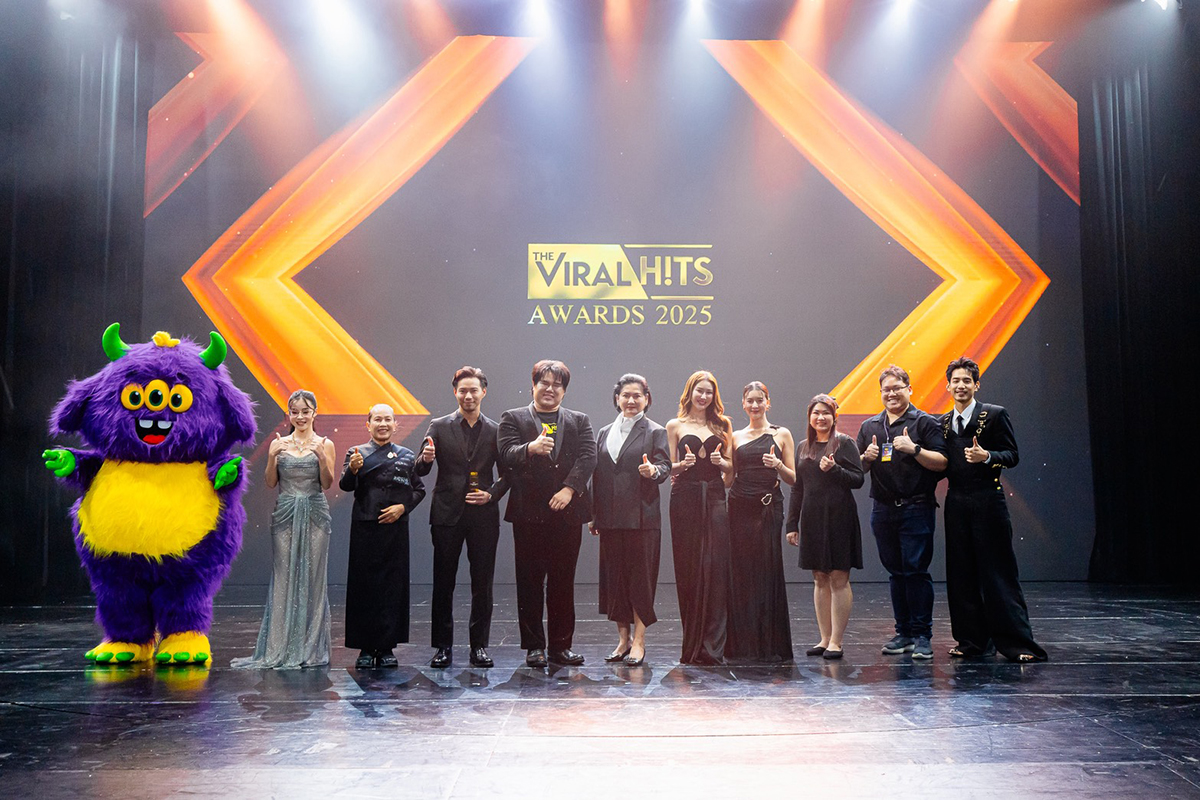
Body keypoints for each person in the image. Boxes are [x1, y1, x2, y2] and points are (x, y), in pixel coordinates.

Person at [940, 357, 1046, 662]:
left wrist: (986, 456)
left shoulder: (995, 414)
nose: (961, 386)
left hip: (989, 501)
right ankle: (972, 642)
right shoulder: (943, 423)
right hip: (956, 504)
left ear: (976, 385)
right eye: (956, 381)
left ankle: (1017, 644)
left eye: (966, 380)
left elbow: (1012, 455)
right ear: (948, 386)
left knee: (998, 573)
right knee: (961, 574)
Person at [498, 360, 596, 668]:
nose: (550, 389)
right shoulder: (513, 418)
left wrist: (569, 489)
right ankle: (534, 647)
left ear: (564, 391)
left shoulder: (579, 420)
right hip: (528, 514)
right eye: (544, 383)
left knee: (563, 582)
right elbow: (505, 455)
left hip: (567, 513)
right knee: (529, 582)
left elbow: (588, 457)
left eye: (557, 385)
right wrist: (530, 448)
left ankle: (561, 647)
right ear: (533, 386)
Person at [233, 390, 336, 670]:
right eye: (295, 412)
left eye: (305, 411)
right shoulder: (279, 444)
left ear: (314, 413)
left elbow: (327, 484)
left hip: (315, 511)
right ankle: (279, 645)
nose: (300, 417)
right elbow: (270, 483)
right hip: (286, 511)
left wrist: (321, 458)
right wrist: (271, 457)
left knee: (313, 577)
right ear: (288, 414)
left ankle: (310, 648)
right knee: (284, 575)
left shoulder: (325, 443)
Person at [415, 367, 509, 670]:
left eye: (473, 390)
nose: (468, 396)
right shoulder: (439, 426)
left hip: (483, 515)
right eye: (463, 390)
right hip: (446, 514)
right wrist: (425, 459)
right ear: (455, 392)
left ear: (483, 392)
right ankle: (442, 647)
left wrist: (491, 495)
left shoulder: (496, 430)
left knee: (483, 583)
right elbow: (420, 468)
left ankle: (479, 646)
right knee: (443, 583)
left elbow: (507, 475)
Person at [857, 365, 948, 660]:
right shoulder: (870, 426)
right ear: (880, 393)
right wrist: (865, 458)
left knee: (916, 571)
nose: (892, 393)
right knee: (896, 573)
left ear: (909, 389)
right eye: (886, 389)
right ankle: (904, 633)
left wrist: (915, 449)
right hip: (883, 510)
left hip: (916, 507)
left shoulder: (925, 422)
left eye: (897, 388)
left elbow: (943, 463)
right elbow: (856, 471)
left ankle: (922, 635)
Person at [589, 374, 671, 667]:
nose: (631, 400)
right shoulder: (603, 432)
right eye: (626, 395)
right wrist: (594, 515)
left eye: (637, 395)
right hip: (610, 520)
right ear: (617, 399)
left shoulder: (655, 431)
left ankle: (639, 641)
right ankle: (622, 640)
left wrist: (654, 472)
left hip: (641, 519)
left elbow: (665, 465)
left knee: (640, 581)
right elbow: (597, 475)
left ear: (647, 399)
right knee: (616, 581)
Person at [339, 404, 425, 669]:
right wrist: (353, 470)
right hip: (365, 527)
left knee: (392, 587)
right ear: (368, 425)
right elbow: (345, 485)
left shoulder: (407, 455)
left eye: (388, 419)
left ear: (395, 425)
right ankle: (365, 648)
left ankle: (387, 647)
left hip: (395, 530)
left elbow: (419, 489)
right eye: (378, 419)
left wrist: (403, 508)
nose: (383, 424)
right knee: (363, 588)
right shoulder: (356, 453)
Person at [786, 394, 864, 661]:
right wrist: (792, 523)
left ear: (834, 417)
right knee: (819, 577)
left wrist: (834, 469)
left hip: (840, 517)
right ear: (809, 417)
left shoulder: (845, 443)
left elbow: (858, 479)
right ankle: (824, 638)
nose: (820, 417)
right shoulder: (802, 447)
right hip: (812, 519)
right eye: (816, 413)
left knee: (838, 577)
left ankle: (836, 641)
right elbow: (797, 488)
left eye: (826, 413)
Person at [666, 370, 734, 665]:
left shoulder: (723, 424)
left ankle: (713, 645)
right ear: (690, 392)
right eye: (699, 391)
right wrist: (681, 465)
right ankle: (692, 642)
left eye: (709, 392)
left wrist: (722, 463)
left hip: (716, 497)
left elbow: (731, 472)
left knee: (716, 567)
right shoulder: (675, 425)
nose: (703, 396)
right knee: (689, 568)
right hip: (684, 499)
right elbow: (667, 469)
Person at [726, 381, 795, 662]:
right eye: (750, 400)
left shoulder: (782, 434)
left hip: (768, 508)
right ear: (743, 404)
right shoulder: (734, 437)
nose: (755, 405)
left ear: (768, 402)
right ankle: (743, 644)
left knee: (768, 571)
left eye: (759, 400)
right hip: (738, 508)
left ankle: (769, 643)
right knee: (741, 572)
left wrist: (778, 466)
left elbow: (793, 478)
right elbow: (728, 479)